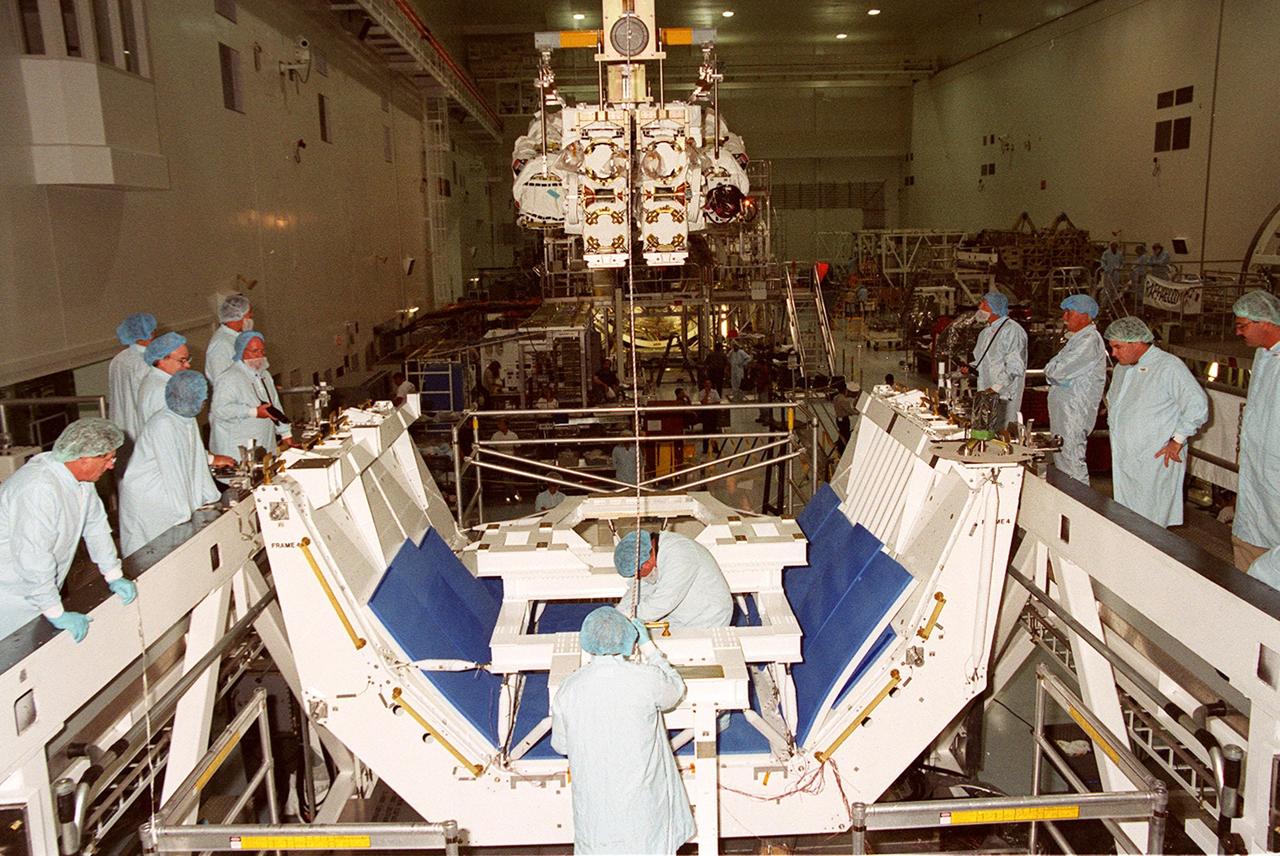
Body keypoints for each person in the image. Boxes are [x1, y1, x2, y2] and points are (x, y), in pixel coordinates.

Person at [550, 607, 692, 854]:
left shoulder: (569, 688)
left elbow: (561, 745)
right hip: (641, 808)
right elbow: (675, 690)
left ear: (587, 642)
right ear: (628, 639)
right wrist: (650, 649)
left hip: (596, 811)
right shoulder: (645, 679)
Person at [0, 419, 136, 642]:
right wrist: (55, 612)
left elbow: (96, 527)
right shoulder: (38, 488)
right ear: (84, 459)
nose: (112, 465)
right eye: (108, 459)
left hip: (34, 589)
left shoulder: (80, 482)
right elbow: (33, 556)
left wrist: (113, 574)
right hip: (8, 593)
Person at [1104, 317, 1208, 527]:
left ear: (1136, 343)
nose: (1113, 353)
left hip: (1155, 456)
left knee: (1152, 518)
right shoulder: (1122, 368)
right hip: (1126, 455)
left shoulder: (1168, 366)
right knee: (1128, 516)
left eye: (1118, 347)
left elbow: (1197, 405)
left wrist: (1177, 440)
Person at [120, 372, 233, 556]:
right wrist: (185, 515)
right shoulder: (163, 424)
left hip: (168, 491)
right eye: (203, 399)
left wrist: (212, 498)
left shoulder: (187, 419)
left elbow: (195, 456)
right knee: (151, 553)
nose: (204, 403)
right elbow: (173, 472)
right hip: (150, 495)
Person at [1229, 290, 1280, 571]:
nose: (1238, 332)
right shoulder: (1263, 355)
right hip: (1258, 472)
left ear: (1266, 323)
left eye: (1243, 325)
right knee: (1249, 543)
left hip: (1274, 471)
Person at [613, 529, 732, 629]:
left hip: (708, 616)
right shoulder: (650, 554)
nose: (638, 578)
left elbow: (663, 602)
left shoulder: (680, 553)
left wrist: (624, 618)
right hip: (680, 613)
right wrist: (618, 613)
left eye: (638, 574)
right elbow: (638, 590)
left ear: (645, 564)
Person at [1045, 295, 1107, 484]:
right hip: (1066, 409)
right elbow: (1052, 369)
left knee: (1072, 461)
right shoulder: (1077, 339)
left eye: (1069, 313)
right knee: (1063, 459)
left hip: (1074, 409)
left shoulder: (1089, 341)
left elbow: (1055, 371)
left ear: (1085, 315)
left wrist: (1052, 370)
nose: (1064, 317)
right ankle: (1068, 498)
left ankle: (1079, 500)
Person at [209, 332, 292, 458]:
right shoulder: (229, 378)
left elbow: (275, 405)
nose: (260, 355)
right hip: (237, 450)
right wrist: (253, 412)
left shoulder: (265, 375)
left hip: (265, 444)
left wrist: (286, 434)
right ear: (242, 352)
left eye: (262, 351)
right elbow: (220, 409)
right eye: (255, 351)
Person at [970, 292, 1028, 430]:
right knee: (986, 431)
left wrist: (996, 387)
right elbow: (983, 361)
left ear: (995, 308)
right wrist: (970, 368)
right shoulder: (985, 333)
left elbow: (1015, 366)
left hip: (1004, 393)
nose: (980, 307)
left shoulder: (1012, 330)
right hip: (986, 393)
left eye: (984, 304)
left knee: (1003, 432)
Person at [107, 312, 157, 444]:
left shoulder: (118, 359)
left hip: (120, 428)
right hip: (141, 431)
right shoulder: (146, 363)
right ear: (151, 333)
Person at [135, 332, 191, 424]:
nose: (187, 365)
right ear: (162, 360)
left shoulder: (156, 380)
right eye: (182, 360)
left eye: (187, 359)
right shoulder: (162, 390)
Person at [206, 295, 253, 385]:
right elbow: (222, 382)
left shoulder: (238, 338)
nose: (251, 316)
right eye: (249, 313)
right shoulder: (220, 345)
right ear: (238, 315)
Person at [699, 378, 721, 452]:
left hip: (713, 412)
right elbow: (704, 403)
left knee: (714, 430)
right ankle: (705, 448)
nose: (708, 385)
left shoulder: (714, 392)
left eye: (709, 384)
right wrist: (707, 394)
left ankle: (715, 448)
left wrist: (710, 404)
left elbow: (718, 402)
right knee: (705, 431)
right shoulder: (701, 393)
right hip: (706, 413)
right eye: (706, 384)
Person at [833, 379, 856, 445]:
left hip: (838, 419)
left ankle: (840, 445)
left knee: (842, 433)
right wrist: (857, 412)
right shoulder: (843, 400)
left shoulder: (836, 397)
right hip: (844, 419)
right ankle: (843, 446)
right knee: (846, 434)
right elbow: (849, 410)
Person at [1130, 243, 1149, 307]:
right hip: (1136, 276)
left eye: (1137, 250)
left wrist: (1140, 276)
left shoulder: (1143, 257)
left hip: (1140, 276)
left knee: (1140, 290)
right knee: (1136, 290)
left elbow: (1142, 268)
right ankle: (1137, 304)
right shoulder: (1140, 257)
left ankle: (1140, 304)